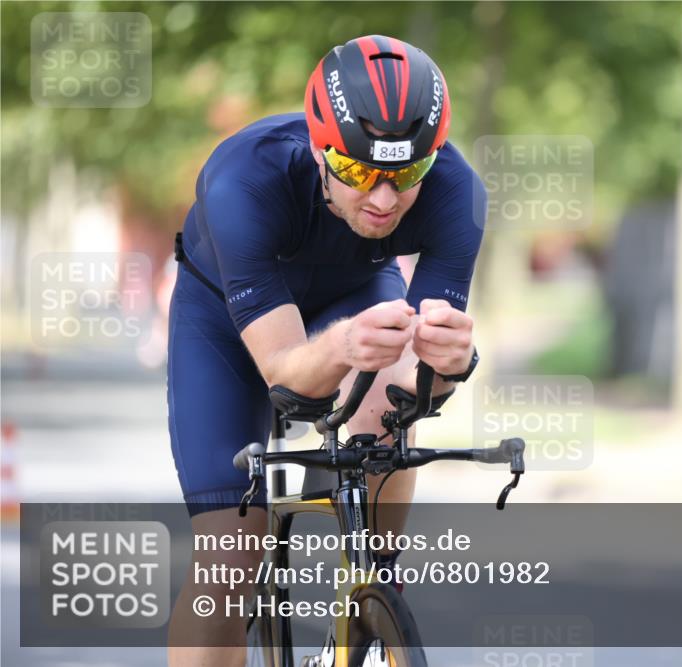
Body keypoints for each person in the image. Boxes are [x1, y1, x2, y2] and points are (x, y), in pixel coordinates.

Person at [165, 35, 484, 666]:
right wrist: (342, 344)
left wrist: (449, 366)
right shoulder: (242, 180)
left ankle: (372, 592)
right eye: (360, 172)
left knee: (389, 414)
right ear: (319, 148)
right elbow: (289, 380)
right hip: (225, 324)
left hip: (356, 291)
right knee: (229, 568)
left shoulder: (457, 192)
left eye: (407, 174)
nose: (384, 200)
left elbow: (425, 389)